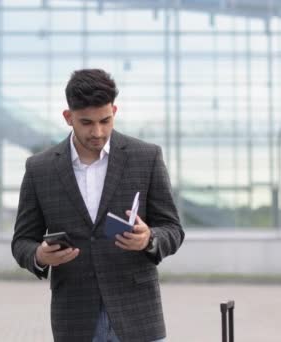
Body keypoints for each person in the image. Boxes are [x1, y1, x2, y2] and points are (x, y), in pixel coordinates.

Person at [12, 69, 185, 342]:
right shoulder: (40, 168)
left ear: (114, 110)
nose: (98, 131)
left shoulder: (146, 157)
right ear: (68, 118)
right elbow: (22, 242)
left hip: (138, 317)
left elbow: (173, 229)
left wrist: (149, 239)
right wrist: (40, 256)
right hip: (75, 320)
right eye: (86, 123)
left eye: (106, 120)